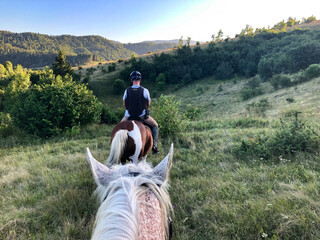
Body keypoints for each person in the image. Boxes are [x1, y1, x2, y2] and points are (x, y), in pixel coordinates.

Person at [121, 70, 159, 154]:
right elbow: (148, 103)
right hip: (141, 116)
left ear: (131, 80)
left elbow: (124, 104)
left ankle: (116, 146)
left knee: (118, 127)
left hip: (128, 116)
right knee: (155, 125)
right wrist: (145, 110)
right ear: (140, 80)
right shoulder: (145, 90)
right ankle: (154, 146)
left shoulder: (127, 90)